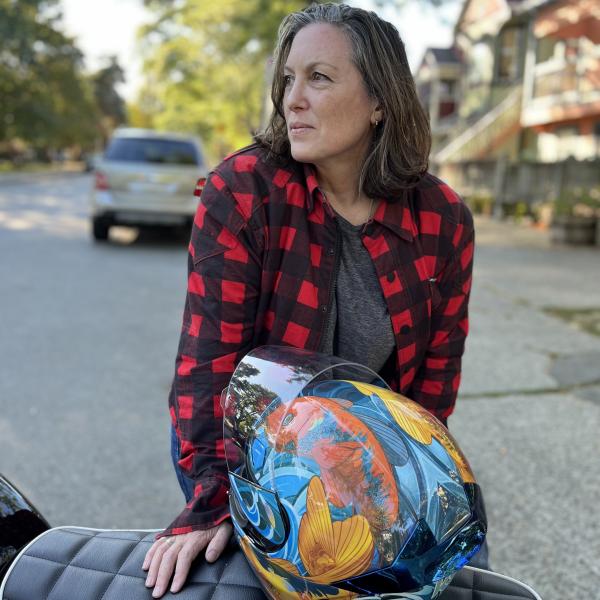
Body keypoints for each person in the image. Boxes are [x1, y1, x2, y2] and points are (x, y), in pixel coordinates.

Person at [143, 3, 478, 598]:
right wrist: (212, 503)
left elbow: (431, 391)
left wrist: (416, 505)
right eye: (288, 79)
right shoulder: (242, 192)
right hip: (243, 441)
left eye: (319, 78)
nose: (292, 98)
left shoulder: (443, 219)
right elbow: (207, 367)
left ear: (380, 101)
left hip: (361, 448)